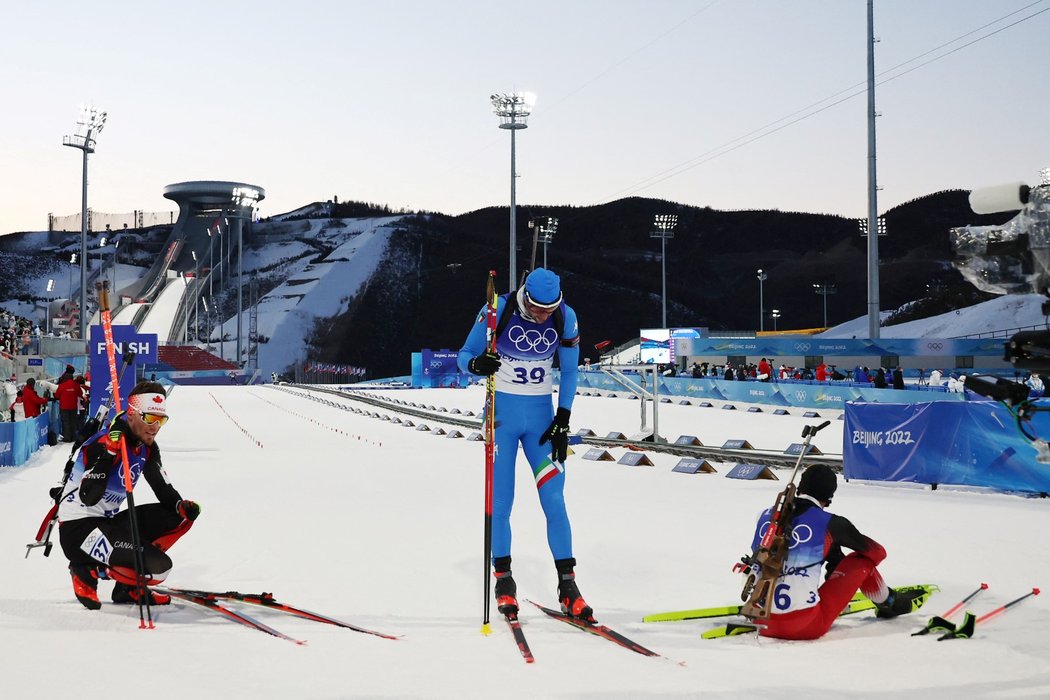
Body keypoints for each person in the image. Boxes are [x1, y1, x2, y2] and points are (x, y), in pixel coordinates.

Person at [457, 268, 591, 620]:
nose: (544, 316)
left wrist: (563, 417)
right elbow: (464, 355)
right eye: (538, 310)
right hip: (502, 418)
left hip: (541, 422)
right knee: (502, 502)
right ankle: (504, 581)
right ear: (525, 298)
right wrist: (476, 364)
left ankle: (568, 585)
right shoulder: (496, 310)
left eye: (551, 309)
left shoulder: (566, 317)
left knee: (554, 498)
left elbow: (572, 370)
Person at [57, 381, 200, 610]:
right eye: (150, 419)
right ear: (132, 415)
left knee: (178, 516)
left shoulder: (147, 447)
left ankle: (128, 587)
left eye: (161, 420)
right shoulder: (103, 442)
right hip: (79, 531)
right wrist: (109, 454)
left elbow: (162, 488)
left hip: (109, 523)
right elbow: (88, 497)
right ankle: (86, 568)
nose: (155, 427)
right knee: (160, 568)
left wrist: (180, 505)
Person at [745, 465, 932, 640]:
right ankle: (889, 603)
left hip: (759, 619)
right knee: (860, 559)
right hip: (804, 625)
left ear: (800, 487)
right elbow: (877, 553)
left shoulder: (765, 515)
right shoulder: (832, 523)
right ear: (829, 497)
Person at [54, 371, 84, 442]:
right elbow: (80, 393)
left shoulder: (62, 385)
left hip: (64, 407)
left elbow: (57, 395)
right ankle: (73, 437)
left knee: (65, 422)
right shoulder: (76, 385)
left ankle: (67, 438)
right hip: (73, 406)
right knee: (73, 421)